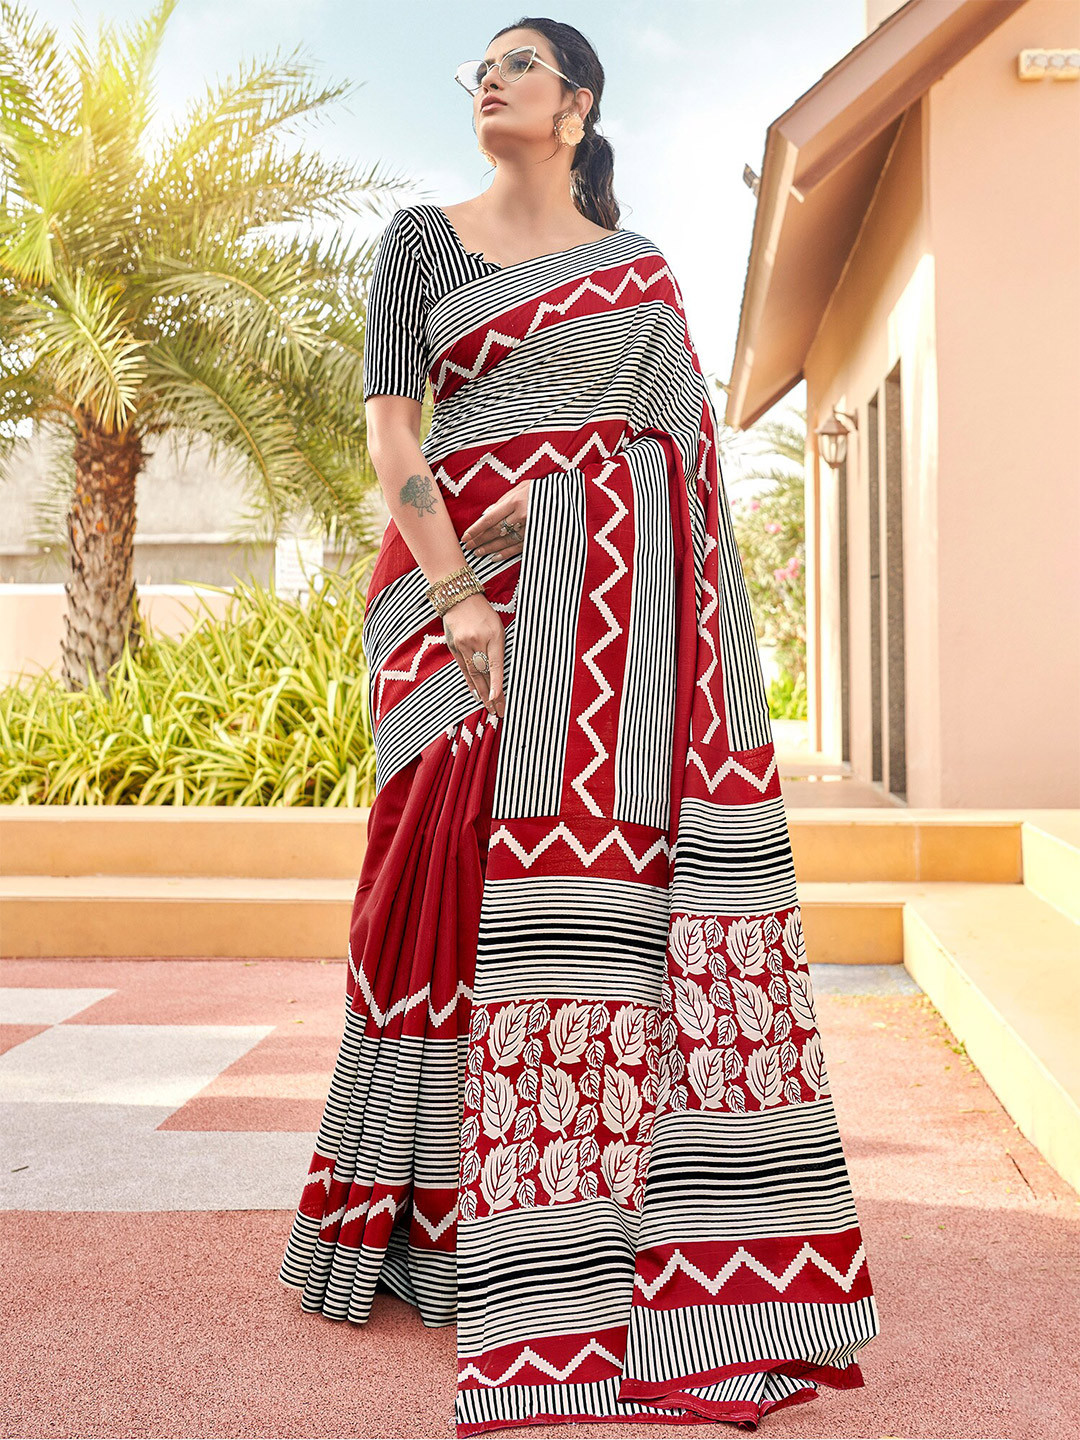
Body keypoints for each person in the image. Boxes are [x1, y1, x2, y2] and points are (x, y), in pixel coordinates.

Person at [279, 18, 879, 1436]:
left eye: (518, 66)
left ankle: (578, 1240)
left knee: (581, 923)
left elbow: (684, 468)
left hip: (610, 630)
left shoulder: (641, 271)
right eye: (477, 69)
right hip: (451, 598)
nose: (488, 82)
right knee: (426, 896)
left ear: (577, 105)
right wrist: (460, 596)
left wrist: (601, 567)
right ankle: (418, 1228)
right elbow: (393, 436)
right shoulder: (420, 242)